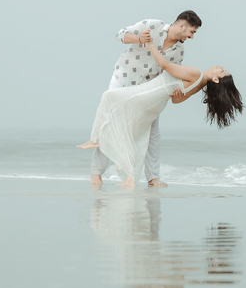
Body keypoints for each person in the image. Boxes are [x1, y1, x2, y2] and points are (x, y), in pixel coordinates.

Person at [80, 27, 244, 188]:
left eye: (221, 71)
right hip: (157, 104)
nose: (219, 66)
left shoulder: (197, 74)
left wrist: (151, 44)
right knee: (140, 136)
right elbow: (176, 101)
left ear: (216, 79)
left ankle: (96, 140)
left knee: (108, 97)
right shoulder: (199, 84)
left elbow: (165, 65)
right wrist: (177, 94)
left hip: (148, 95)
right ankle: (130, 178)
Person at [86, 12, 201, 189]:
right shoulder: (152, 25)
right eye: (191, 32)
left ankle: (153, 178)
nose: (192, 37)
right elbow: (120, 34)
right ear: (182, 26)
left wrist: (177, 93)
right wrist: (139, 38)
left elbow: (171, 74)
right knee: (110, 123)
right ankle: (96, 174)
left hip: (146, 90)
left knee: (153, 133)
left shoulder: (179, 51)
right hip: (123, 78)